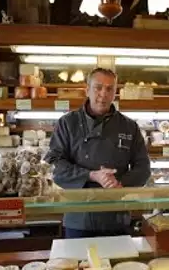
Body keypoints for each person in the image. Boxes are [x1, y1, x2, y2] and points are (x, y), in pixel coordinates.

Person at [44, 67, 151, 238]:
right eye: (98, 87)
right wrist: (92, 175)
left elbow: (144, 168)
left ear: (115, 92)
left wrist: (119, 184)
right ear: (87, 90)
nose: (103, 94)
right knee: (80, 265)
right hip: (78, 219)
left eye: (110, 89)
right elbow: (54, 166)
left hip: (117, 217)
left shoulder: (129, 126)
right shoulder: (67, 123)